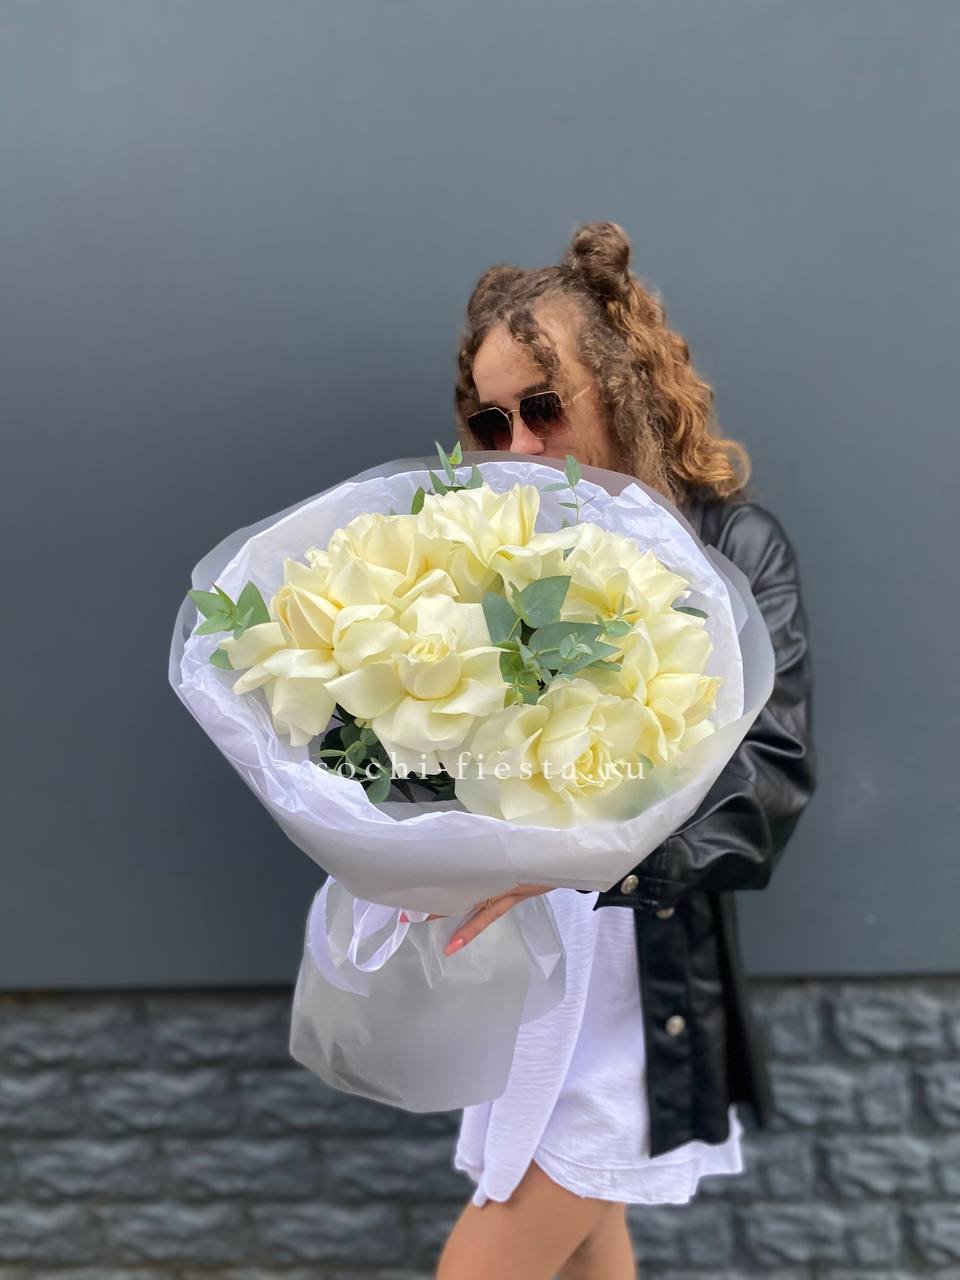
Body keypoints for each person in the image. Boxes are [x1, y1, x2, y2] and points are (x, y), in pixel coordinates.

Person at [429, 221, 817, 1280]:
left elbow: (770, 780)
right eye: (491, 421)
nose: (518, 444)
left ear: (622, 387)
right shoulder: (494, 550)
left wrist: (580, 859)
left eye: (543, 407)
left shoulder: (731, 545)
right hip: (527, 973)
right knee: (592, 1248)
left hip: (636, 987)